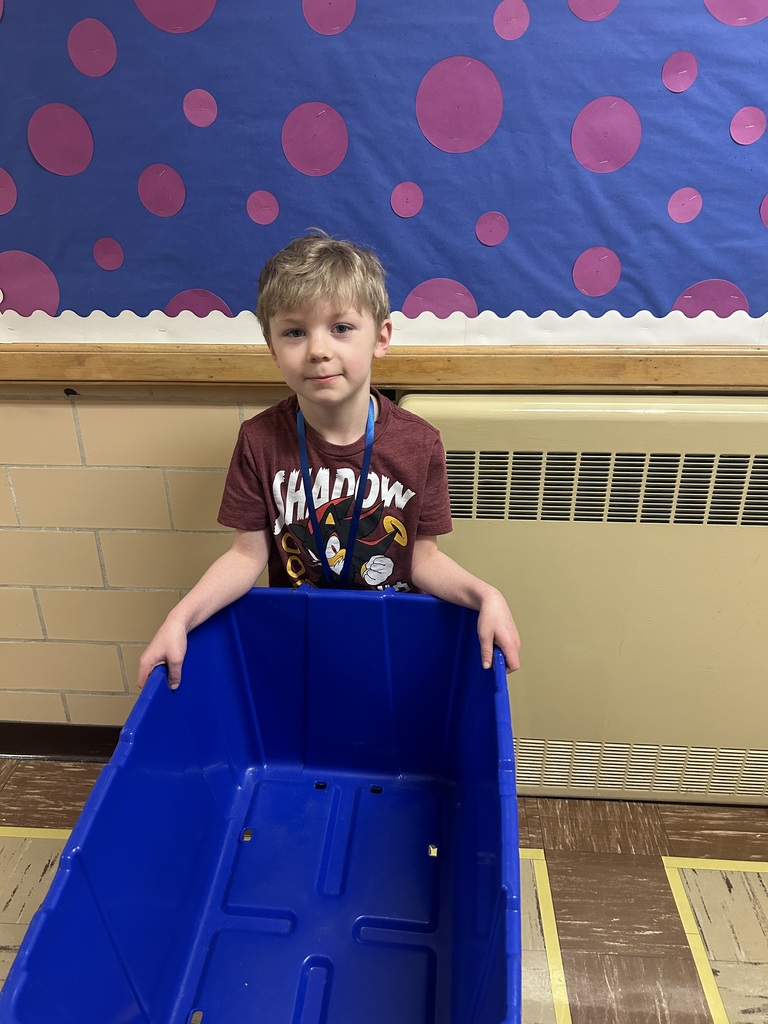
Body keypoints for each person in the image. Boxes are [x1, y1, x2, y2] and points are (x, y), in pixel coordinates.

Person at [137, 231, 520, 689]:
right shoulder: (258, 440)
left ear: (381, 338)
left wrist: (485, 595)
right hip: (301, 642)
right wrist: (179, 619)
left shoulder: (420, 444)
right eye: (295, 332)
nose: (318, 349)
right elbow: (246, 555)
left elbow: (422, 557)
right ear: (273, 350)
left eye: (340, 328)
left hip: (388, 642)